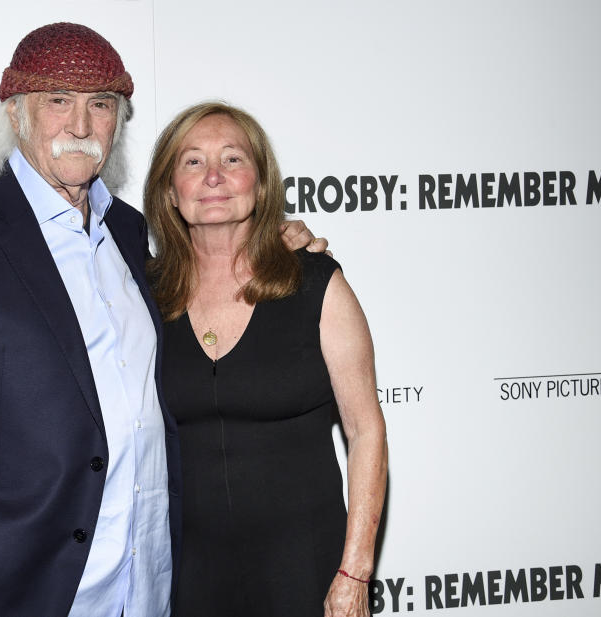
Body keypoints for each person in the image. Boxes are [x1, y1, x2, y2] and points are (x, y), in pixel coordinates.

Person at [0, 24, 324, 617]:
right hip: (25, 588)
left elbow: (214, 281)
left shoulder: (132, 233)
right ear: (17, 113)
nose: (80, 126)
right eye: (58, 100)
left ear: (118, 121)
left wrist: (278, 244)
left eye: (100, 105)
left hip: (152, 579)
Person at [143, 102, 388, 617]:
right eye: (192, 162)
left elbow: (366, 431)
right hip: (188, 580)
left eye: (232, 159)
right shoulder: (144, 295)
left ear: (261, 182)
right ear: (169, 190)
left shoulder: (315, 283)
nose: (213, 177)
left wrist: (355, 572)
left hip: (308, 571)